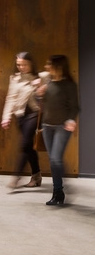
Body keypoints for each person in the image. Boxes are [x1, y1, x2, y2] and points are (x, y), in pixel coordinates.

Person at [36, 55, 79, 205]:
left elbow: (75, 107)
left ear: (59, 67)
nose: (47, 67)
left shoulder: (69, 85)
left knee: (55, 159)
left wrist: (71, 120)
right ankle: (57, 193)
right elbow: (41, 104)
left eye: (49, 64)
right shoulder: (48, 82)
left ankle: (59, 191)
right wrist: (39, 94)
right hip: (47, 126)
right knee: (53, 160)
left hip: (62, 126)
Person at [1, 52, 44, 189]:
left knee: (24, 144)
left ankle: (16, 177)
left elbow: (50, 89)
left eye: (24, 64)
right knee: (29, 147)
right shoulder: (14, 78)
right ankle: (36, 176)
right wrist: (6, 117)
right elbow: (10, 98)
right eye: (19, 65)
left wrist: (39, 86)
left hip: (34, 114)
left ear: (31, 64)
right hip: (20, 116)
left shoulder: (40, 77)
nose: (21, 67)